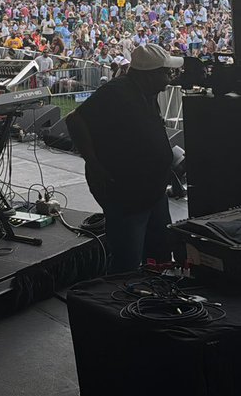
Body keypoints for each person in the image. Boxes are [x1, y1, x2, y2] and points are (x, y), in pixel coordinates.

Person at [66, 43, 183, 272]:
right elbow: (74, 120)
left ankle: (155, 297)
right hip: (127, 193)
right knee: (127, 261)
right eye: (165, 72)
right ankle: (123, 302)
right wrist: (93, 162)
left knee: (159, 255)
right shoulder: (116, 92)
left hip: (153, 190)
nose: (169, 77)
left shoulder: (147, 92)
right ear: (149, 75)